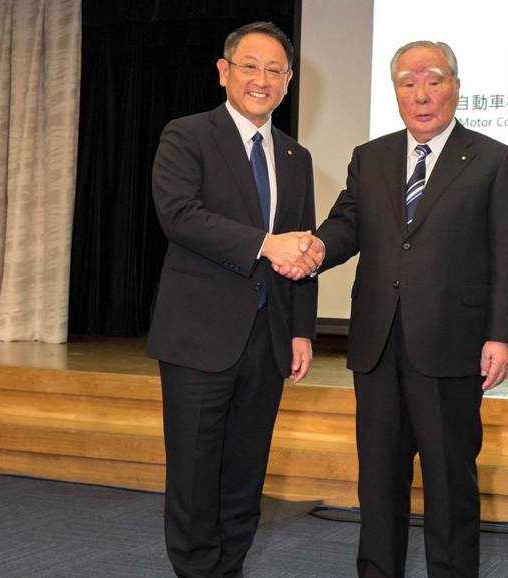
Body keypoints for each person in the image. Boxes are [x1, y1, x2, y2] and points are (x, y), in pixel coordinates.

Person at [282, 40, 508, 577]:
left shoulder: (492, 159)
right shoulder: (371, 158)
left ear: (456, 87)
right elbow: (348, 225)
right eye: (407, 82)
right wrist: (319, 249)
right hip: (377, 346)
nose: (421, 94)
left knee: (448, 481)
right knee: (378, 480)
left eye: (433, 80)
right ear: (395, 91)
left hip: (451, 348)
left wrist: (501, 335)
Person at [146, 21, 322, 577]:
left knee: (246, 475)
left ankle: (230, 570)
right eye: (250, 66)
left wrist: (301, 330)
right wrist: (266, 245)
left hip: (267, 340)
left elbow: (301, 245)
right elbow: (179, 216)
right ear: (224, 72)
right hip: (198, 338)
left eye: (275, 70)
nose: (261, 79)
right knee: (196, 474)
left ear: (289, 82)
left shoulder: (296, 157)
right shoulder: (187, 134)